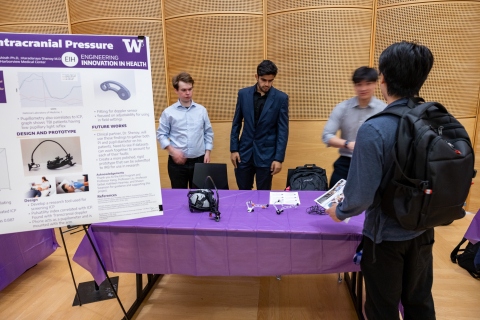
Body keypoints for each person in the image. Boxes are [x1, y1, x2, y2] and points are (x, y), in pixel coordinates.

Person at [326, 41, 435, 320]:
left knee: (381, 308)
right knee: (420, 303)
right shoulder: (433, 120)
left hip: (386, 236)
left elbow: (360, 197)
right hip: (424, 230)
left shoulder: (374, 129)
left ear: (382, 79)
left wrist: (339, 212)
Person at [322, 67, 386, 188]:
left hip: (372, 164)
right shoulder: (342, 107)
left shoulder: (383, 109)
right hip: (346, 163)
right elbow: (327, 135)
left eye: (368, 84)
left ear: (376, 84)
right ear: (355, 86)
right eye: (359, 84)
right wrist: (348, 144)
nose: (363, 88)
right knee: (333, 199)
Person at [230, 60, 289, 190]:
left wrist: (279, 159)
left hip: (267, 156)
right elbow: (236, 123)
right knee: (243, 193)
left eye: (270, 80)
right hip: (244, 154)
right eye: (263, 80)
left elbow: (283, 131)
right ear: (256, 76)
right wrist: (234, 149)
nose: (266, 84)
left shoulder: (281, 98)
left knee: (264, 195)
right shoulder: (243, 94)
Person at [157, 72, 214, 189]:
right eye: (183, 90)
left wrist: (208, 152)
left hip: (199, 161)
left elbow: (208, 132)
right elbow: (161, 135)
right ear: (176, 90)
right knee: (179, 196)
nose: (187, 93)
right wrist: (172, 150)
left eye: (190, 89)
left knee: (199, 196)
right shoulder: (168, 112)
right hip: (177, 163)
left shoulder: (201, 110)